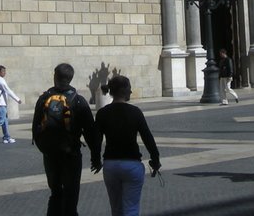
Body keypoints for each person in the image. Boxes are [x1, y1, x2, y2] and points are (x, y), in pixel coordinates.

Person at [32, 63, 100, 216]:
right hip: (71, 154)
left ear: (55, 76)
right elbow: (90, 132)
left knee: (55, 193)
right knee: (71, 195)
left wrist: (45, 148)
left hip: (50, 155)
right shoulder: (78, 101)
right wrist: (96, 157)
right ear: (71, 78)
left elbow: (35, 128)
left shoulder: (44, 98)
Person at [92, 75, 161, 216]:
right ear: (123, 90)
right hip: (132, 164)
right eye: (129, 88)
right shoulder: (135, 112)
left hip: (110, 165)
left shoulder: (102, 113)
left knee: (116, 209)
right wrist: (155, 159)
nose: (131, 91)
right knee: (131, 208)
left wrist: (96, 161)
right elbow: (148, 138)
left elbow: (96, 141)